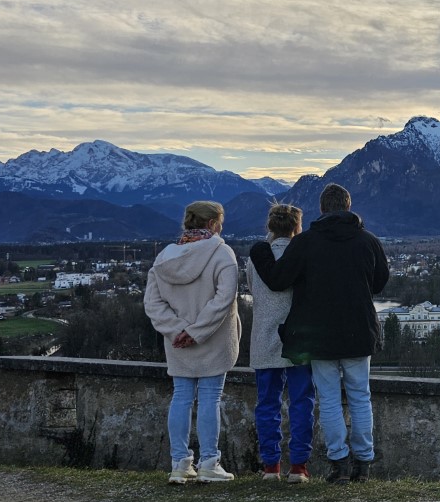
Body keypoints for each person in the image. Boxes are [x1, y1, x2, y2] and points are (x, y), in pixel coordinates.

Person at [249, 183, 390, 484]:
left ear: (322, 208)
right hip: (359, 331)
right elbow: (379, 283)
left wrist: (260, 251)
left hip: (320, 335)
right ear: (348, 206)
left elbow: (278, 280)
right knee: (360, 397)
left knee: (328, 399)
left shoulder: (306, 243)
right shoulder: (369, 241)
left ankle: (339, 463)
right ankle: (363, 462)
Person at [144, 200, 241, 484]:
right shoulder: (222, 253)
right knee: (210, 397)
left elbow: (153, 303)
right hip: (214, 339)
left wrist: (177, 330)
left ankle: (179, 463)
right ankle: (209, 462)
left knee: (181, 397)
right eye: (219, 223)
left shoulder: (164, 258)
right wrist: (197, 331)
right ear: (212, 223)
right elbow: (224, 298)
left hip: (177, 342)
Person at [246, 203, 315, 483]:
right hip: (299, 336)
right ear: (297, 226)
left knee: (267, 403)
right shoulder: (305, 254)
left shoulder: (256, 258)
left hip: (264, 335)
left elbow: (253, 291)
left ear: (270, 226)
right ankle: (298, 466)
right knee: (302, 401)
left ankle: (270, 466)